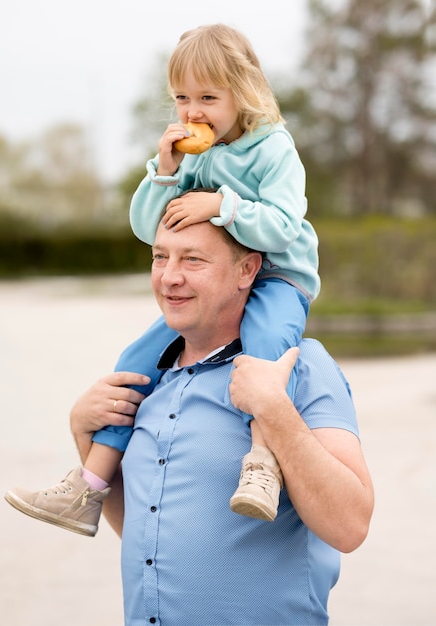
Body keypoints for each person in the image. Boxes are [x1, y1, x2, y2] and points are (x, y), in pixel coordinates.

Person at [4, 22, 320, 533]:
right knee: (134, 362)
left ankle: (263, 465)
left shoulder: (273, 149)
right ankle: (89, 486)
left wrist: (222, 204)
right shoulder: (192, 153)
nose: (192, 111)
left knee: (263, 354)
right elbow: (145, 225)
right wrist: (167, 171)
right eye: (181, 97)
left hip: (278, 278)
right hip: (213, 288)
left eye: (207, 97)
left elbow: (283, 228)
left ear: (244, 93)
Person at [70, 217, 374, 625]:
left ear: (247, 270)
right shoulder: (148, 383)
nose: (169, 277)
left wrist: (274, 410)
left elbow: (349, 526)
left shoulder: (303, 366)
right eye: (160, 257)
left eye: (193, 260)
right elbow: (147, 537)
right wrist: (84, 434)